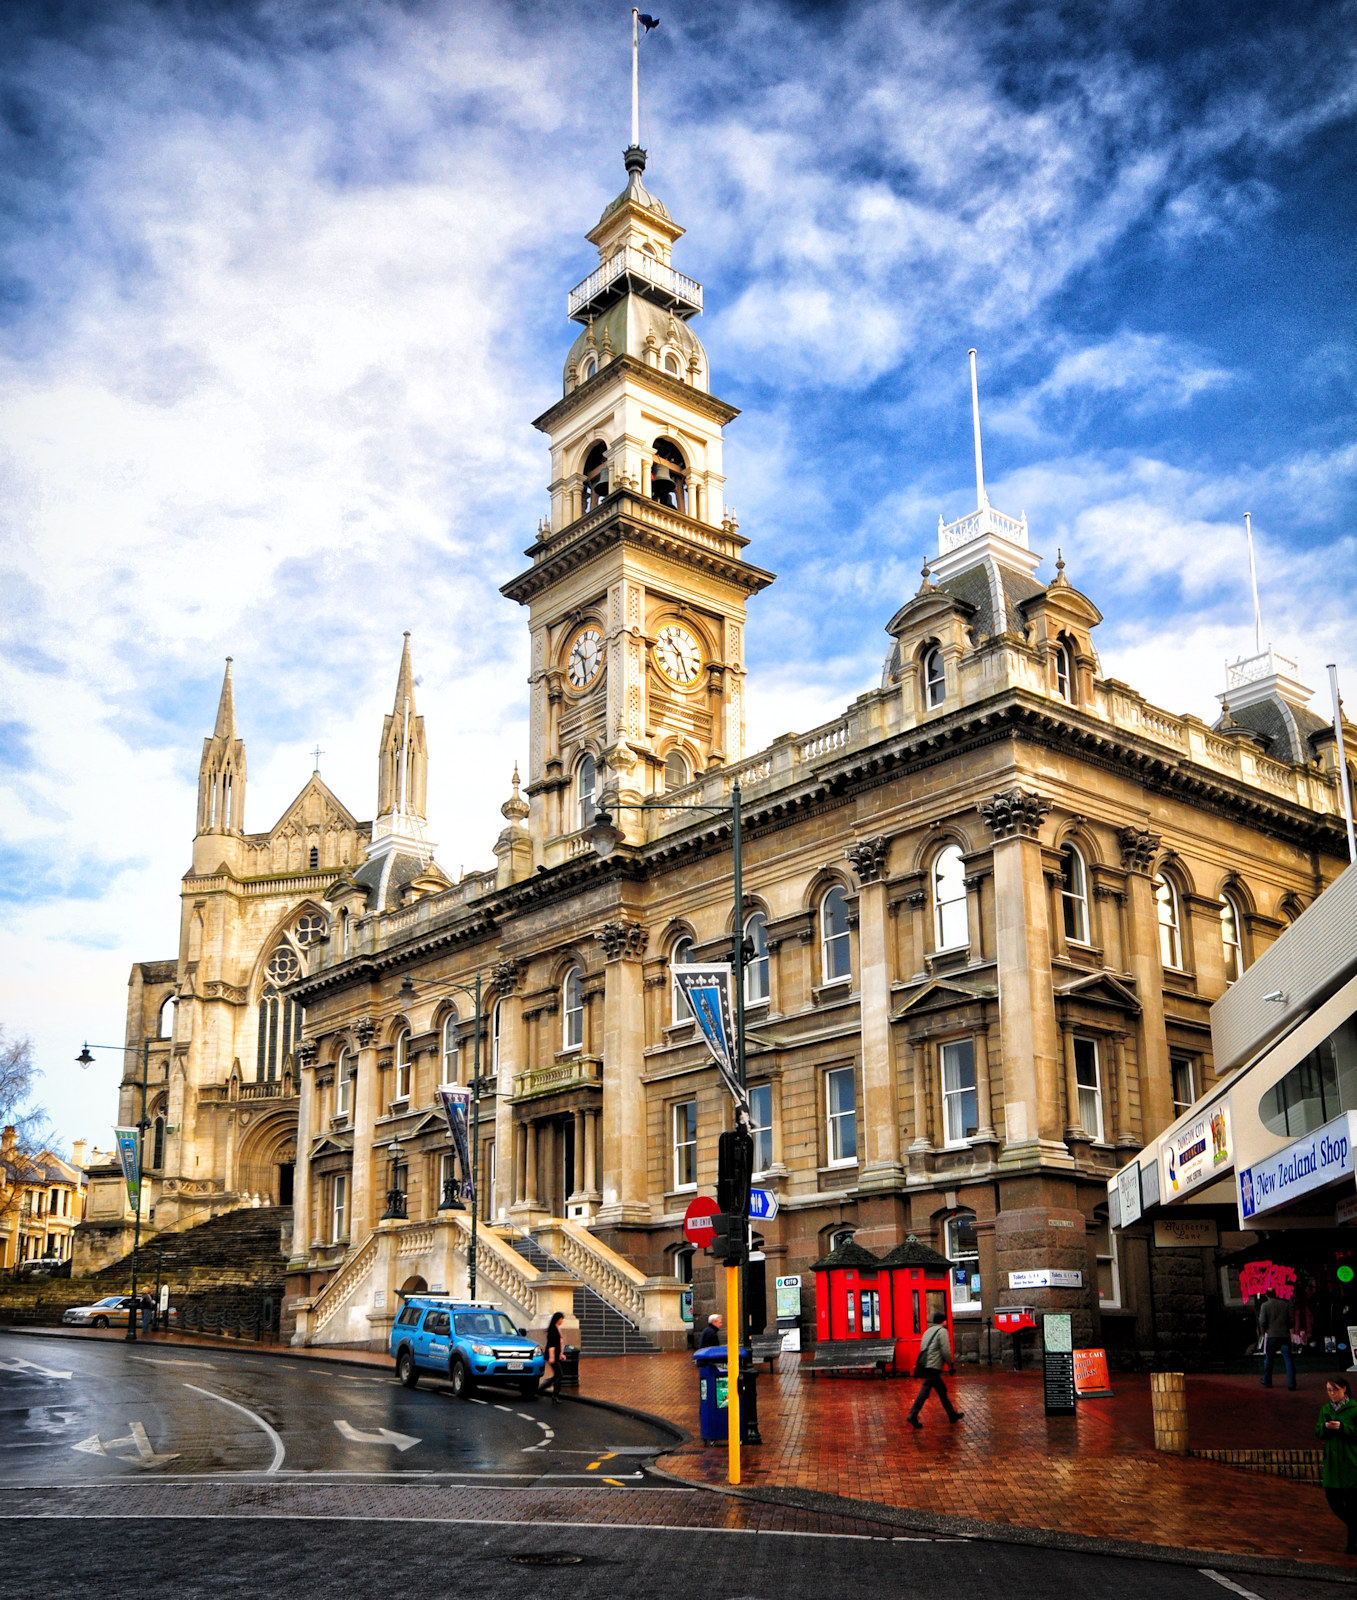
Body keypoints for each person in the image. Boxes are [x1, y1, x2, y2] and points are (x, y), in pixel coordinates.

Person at [1317, 1376, 1357, 1553]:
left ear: (1344, 1389)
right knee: (1334, 1501)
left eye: (1334, 1390)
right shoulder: (1325, 1409)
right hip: (1332, 1463)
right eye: (1328, 1390)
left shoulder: (1354, 1409)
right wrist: (1325, 1427)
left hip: (1350, 1461)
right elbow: (1318, 1431)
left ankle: (1351, 1544)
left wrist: (1342, 1427)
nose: (1331, 1394)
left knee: (1351, 1502)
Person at [907, 1310, 963, 1428]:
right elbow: (945, 1350)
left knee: (942, 1391)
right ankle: (913, 1414)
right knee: (925, 1391)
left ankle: (952, 1414)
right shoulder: (942, 1331)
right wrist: (951, 1365)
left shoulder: (928, 1331)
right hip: (934, 1366)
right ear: (943, 1321)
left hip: (926, 1364)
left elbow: (923, 1347)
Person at [1258, 1290, 1296, 1390]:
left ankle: (1267, 1380)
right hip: (1284, 1335)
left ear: (1266, 1295)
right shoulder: (1285, 1305)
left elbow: (1262, 1321)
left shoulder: (1265, 1306)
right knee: (1288, 1359)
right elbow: (1292, 1321)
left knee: (1269, 1359)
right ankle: (1291, 1383)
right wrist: (1286, 1327)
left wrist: (1266, 1330)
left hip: (1272, 1335)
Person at [539, 1310, 565, 1404]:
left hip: (556, 1355)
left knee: (558, 1375)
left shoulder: (556, 1328)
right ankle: (554, 1395)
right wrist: (552, 1356)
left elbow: (558, 1343)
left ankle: (544, 1386)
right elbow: (552, 1344)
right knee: (559, 1375)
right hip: (552, 1355)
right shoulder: (553, 1330)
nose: (562, 1321)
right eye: (561, 1319)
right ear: (558, 1319)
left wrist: (561, 1354)